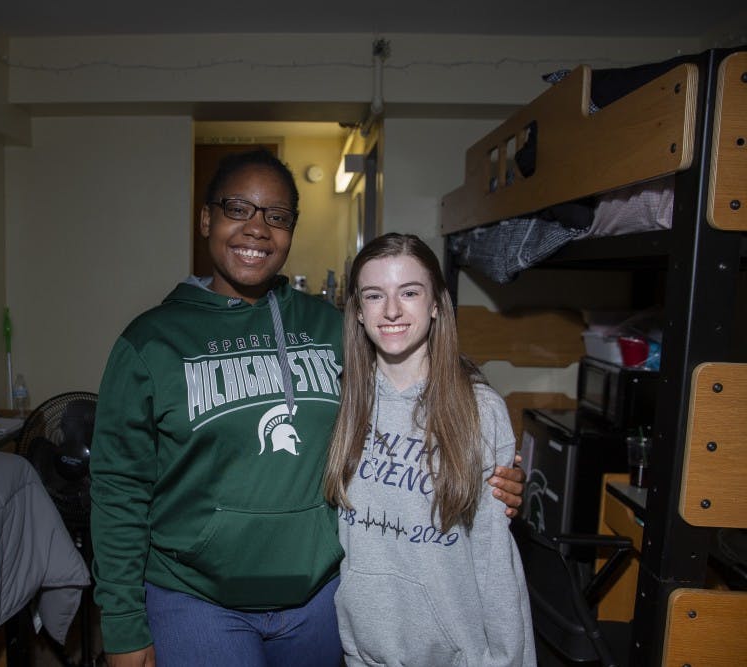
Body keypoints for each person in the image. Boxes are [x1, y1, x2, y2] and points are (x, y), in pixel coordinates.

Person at [89, 149, 525, 667]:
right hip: (197, 597)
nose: (257, 229)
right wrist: (121, 624)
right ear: (206, 218)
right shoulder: (150, 343)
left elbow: (411, 391)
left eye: (277, 217)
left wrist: (487, 468)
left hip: (318, 599)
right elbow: (118, 490)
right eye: (238, 209)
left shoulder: (331, 326)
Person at [324, 232, 536, 666]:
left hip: (456, 654)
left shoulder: (478, 410)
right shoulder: (340, 401)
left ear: (437, 304)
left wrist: (509, 658)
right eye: (374, 295)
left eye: (409, 292)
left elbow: (494, 559)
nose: (392, 310)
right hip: (362, 653)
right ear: (359, 313)